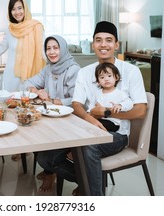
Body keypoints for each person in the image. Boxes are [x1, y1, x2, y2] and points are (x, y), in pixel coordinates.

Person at [37, 21, 147, 196]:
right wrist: (91, 119)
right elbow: (77, 104)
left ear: (116, 44)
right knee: (45, 156)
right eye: (98, 40)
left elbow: (141, 110)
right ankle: (88, 181)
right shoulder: (85, 72)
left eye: (109, 40)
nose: (103, 44)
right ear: (93, 44)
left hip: (117, 134)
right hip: (86, 130)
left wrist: (106, 112)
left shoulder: (131, 71)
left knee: (88, 148)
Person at [24, 35, 80, 192]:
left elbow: (77, 100)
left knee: (45, 157)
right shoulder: (48, 68)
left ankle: (83, 180)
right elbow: (27, 83)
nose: (52, 52)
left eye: (56, 48)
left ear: (63, 49)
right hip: (52, 118)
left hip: (71, 121)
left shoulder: (73, 69)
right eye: (48, 48)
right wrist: (36, 90)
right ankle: (50, 171)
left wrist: (53, 100)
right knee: (31, 134)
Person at [0, 0, 46, 91]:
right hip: (11, 75)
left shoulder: (36, 27)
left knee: (29, 103)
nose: (17, 12)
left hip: (31, 76)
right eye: (13, 9)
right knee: (10, 103)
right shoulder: (10, 29)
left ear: (25, 9)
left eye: (20, 8)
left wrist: (57, 63)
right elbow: (0, 49)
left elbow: (43, 51)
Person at [89, 62, 134, 133]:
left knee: (96, 126)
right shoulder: (97, 93)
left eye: (109, 76)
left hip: (114, 122)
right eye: (102, 77)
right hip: (98, 119)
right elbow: (91, 107)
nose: (106, 79)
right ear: (98, 81)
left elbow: (130, 103)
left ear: (116, 77)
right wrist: (91, 113)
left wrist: (120, 105)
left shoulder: (120, 93)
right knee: (87, 123)